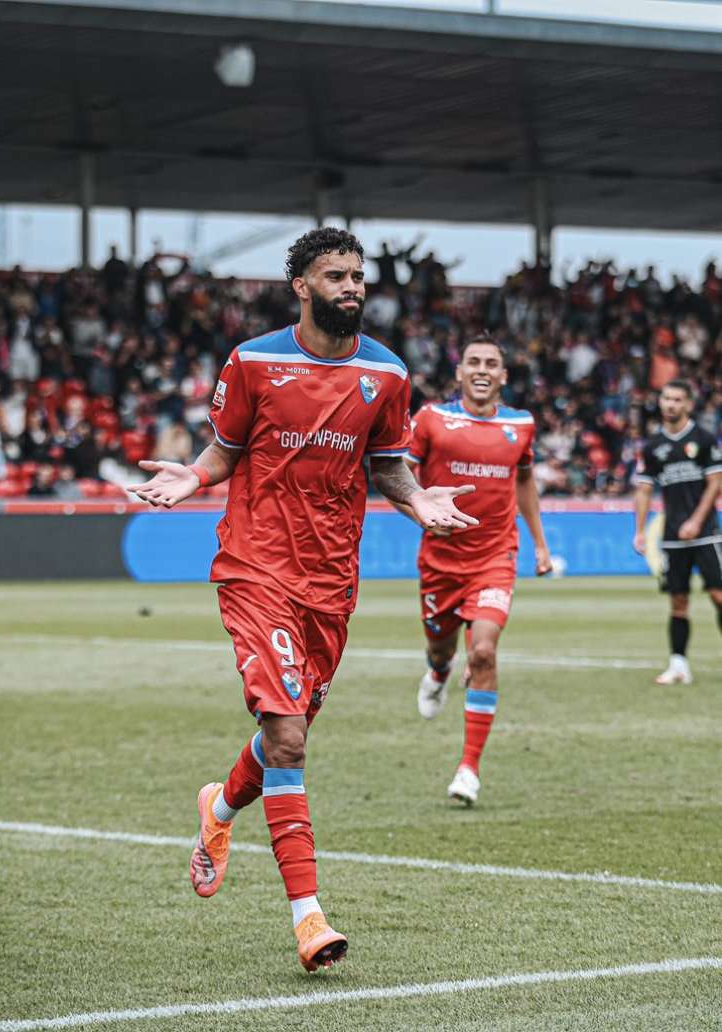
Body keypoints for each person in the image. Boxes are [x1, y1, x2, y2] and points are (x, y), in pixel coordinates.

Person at [127, 228, 477, 972]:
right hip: (256, 567)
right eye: (335, 275)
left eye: (357, 275)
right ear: (302, 285)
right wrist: (193, 476)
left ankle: (219, 807)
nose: (351, 286)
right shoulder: (253, 361)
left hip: (332, 582)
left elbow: (389, 467)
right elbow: (224, 450)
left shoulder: (386, 373)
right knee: (288, 737)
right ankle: (309, 918)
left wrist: (419, 500)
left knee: (283, 736)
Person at [395, 334, 551, 806]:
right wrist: (423, 515)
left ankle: (469, 768)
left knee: (483, 652)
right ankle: (439, 670)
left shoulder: (521, 425)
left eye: (491, 363)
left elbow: (524, 483)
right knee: (441, 647)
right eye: (474, 362)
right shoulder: (431, 419)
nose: (482, 369)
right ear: (459, 372)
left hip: (495, 557)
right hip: (440, 562)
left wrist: (540, 544)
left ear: (503, 375)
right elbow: (398, 477)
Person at [633, 380, 721, 685]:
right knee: (678, 601)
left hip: (707, 532)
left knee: (718, 595)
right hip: (672, 535)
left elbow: (715, 484)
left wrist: (696, 521)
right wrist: (639, 530)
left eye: (677, 399)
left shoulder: (703, 439)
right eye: (666, 399)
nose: (671, 404)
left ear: (688, 404)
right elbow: (644, 490)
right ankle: (679, 665)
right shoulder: (652, 446)